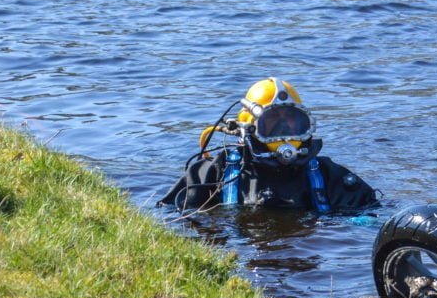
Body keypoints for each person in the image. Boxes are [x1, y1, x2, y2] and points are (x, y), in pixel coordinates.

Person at [159, 77, 378, 213]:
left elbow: (369, 217)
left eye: (292, 121)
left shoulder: (330, 177)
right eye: (272, 122)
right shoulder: (213, 174)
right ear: (248, 127)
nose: (284, 130)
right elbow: (170, 217)